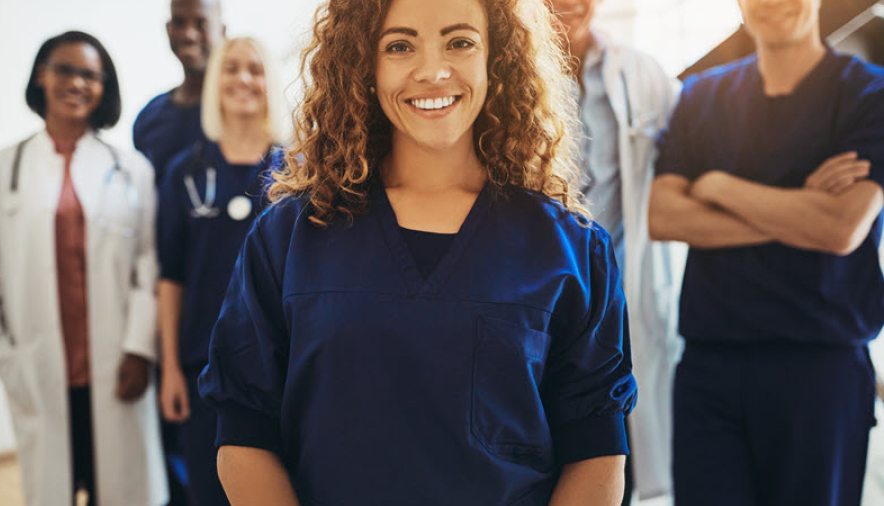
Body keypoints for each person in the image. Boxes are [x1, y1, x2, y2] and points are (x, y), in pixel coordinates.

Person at [199, 0, 636, 504]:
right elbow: (245, 434)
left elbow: (596, 452)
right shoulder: (289, 238)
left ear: (497, 59)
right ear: (364, 63)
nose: (432, 70)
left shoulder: (572, 251)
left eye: (460, 42)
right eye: (400, 46)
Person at [649, 0, 884, 504]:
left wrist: (716, 185)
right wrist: (800, 208)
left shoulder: (870, 95)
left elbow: (841, 227)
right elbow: (664, 216)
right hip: (709, 370)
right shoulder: (701, 95)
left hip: (820, 369)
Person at [0, 31, 167, 506]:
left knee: (124, 490)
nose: (78, 83)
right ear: (41, 76)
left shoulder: (132, 170)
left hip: (116, 368)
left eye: (91, 74)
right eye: (65, 69)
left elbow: (148, 264)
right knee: (52, 490)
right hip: (38, 368)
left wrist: (138, 349)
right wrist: (4, 357)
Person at [549, 0, 685, 502]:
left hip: (618, 316)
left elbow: (702, 147)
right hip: (540, 309)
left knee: (611, 466)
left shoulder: (639, 73)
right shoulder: (496, 76)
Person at [157, 36, 286, 506]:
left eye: (255, 68)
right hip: (200, 367)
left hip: (280, 370)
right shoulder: (184, 173)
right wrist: (169, 367)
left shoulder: (298, 171)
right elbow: (170, 276)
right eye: (231, 69)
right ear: (215, 81)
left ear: (271, 81)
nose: (243, 79)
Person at [133, 0, 225, 185]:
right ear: (168, 29)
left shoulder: (241, 111)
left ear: (222, 32)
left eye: (202, 23)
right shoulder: (149, 118)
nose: (189, 35)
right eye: (179, 22)